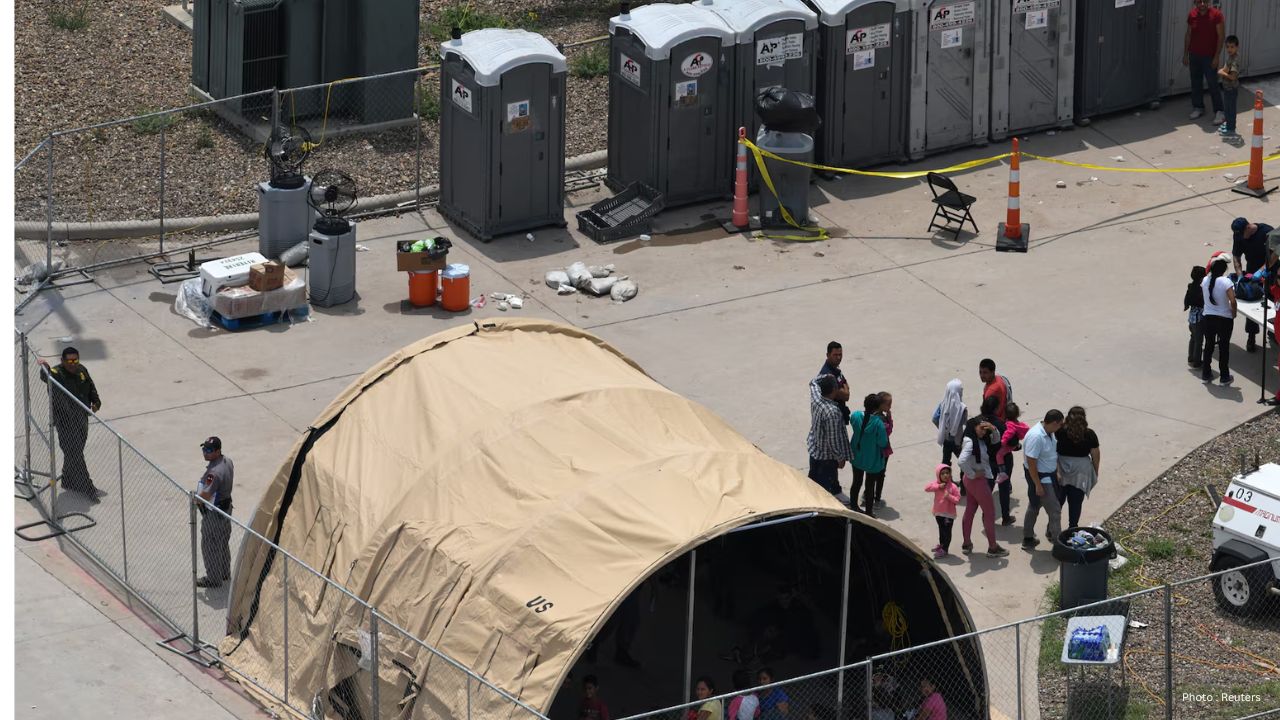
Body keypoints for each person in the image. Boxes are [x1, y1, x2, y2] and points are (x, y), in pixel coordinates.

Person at [37, 347, 105, 503]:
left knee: (75, 451)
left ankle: (68, 479)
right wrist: (45, 367)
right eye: (69, 361)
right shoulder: (56, 373)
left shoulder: (81, 370)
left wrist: (96, 402)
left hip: (81, 417)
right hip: (65, 421)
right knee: (75, 453)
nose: (73, 364)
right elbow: (46, 377)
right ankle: (87, 487)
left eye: (75, 360)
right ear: (62, 360)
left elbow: (91, 385)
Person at [957, 418, 1008, 558]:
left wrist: (992, 428)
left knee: (970, 510)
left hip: (970, 481)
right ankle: (993, 547)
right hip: (977, 481)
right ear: (974, 428)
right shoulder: (970, 442)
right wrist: (973, 474)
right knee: (989, 513)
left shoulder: (977, 439)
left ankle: (966, 544)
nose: (983, 431)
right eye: (981, 428)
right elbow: (961, 461)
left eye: (985, 429)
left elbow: (996, 440)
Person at [195, 436, 235, 588]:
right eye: (204, 449)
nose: (205, 453)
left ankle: (213, 579)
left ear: (218, 451)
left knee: (210, 545)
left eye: (209, 450)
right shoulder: (228, 461)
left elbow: (204, 495)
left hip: (215, 513)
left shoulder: (214, 473)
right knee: (223, 542)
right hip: (226, 509)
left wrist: (195, 500)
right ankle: (224, 573)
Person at [1022, 410, 1065, 550]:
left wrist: (1056, 471)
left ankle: (1028, 537)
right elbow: (1031, 461)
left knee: (1034, 506)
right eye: (1060, 424)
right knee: (1055, 510)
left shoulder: (1048, 432)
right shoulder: (1036, 436)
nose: (1060, 427)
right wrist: (1038, 485)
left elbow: (1051, 454)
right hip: (1041, 478)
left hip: (1048, 475)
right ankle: (1059, 546)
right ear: (1053, 423)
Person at [1231, 217, 1273, 352]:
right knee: (1252, 305)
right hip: (1251, 273)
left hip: (1269, 272)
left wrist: (1261, 271)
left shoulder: (1267, 232)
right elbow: (1236, 256)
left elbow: (1274, 255)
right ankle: (1251, 336)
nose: (1240, 238)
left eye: (1242, 234)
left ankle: (1273, 332)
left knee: (1273, 304)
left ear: (1248, 227)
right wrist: (1239, 276)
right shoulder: (1238, 235)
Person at [1055, 406, 1101, 529]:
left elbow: (1051, 450)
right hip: (1081, 471)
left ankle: (1052, 528)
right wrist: (1095, 471)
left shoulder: (1059, 432)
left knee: (1057, 501)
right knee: (1075, 502)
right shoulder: (1089, 434)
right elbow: (1095, 454)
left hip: (1060, 467)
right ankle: (1073, 528)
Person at [807, 375, 851, 502]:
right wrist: (840, 458)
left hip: (814, 449)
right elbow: (832, 441)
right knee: (823, 490)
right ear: (833, 391)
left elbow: (813, 381)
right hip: (826, 458)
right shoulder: (832, 412)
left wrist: (828, 376)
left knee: (813, 480)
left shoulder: (816, 398)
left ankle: (834, 492)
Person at [1183, 0, 1225, 126]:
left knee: (1213, 84)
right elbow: (1188, 34)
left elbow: (1221, 36)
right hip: (1194, 55)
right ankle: (1198, 107)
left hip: (1209, 57)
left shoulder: (1217, 15)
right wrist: (1186, 54)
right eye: (1199, 1)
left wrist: (1216, 57)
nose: (1202, 4)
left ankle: (1219, 111)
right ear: (1195, 2)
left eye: (1205, 1)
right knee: (1196, 82)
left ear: (1209, 2)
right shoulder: (1192, 15)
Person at [849, 394, 889, 517]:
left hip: (857, 455)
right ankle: (868, 512)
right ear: (878, 408)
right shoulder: (878, 423)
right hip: (873, 459)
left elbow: (852, 422)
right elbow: (883, 442)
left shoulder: (855, 415)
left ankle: (854, 506)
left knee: (856, 481)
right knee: (870, 485)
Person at [1201, 253, 1238, 384]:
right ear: (1224, 270)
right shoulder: (1226, 282)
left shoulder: (1205, 280)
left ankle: (1206, 374)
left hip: (1208, 318)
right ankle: (1224, 377)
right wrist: (1233, 314)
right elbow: (1233, 301)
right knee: (1224, 348)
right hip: (1224, 319)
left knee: (1209, 346)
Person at [994, 401, 1029, 526]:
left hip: (995, 456)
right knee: (1004, 488)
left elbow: (1007, 436)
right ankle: (1005, 516)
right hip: (1007, 455)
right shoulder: (1015, 425)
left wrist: (1002, 443)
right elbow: (1024, 430)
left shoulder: (1003, 424)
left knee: (988, 486)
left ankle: (985, 515)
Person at [926, 464, 961, 559]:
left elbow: (958, 500)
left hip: (948, 515)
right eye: (942, 473)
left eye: (947, 473)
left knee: (947, 532)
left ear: (950, 474)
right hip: (938, 513)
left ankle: (945, 549)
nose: (945, 475)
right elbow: (927, 488)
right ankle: (941, 545)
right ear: (938, 475)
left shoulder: (953, 487)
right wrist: (938, 486)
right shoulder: (937, 485)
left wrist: (949, 496)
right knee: (941, 530)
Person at [933, 379, 968, 467]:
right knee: (963, 460)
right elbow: (965, 422)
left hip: (946, 438)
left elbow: (934, 418)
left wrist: (943, 429)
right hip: (957, 439)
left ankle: (944, 478)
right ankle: (964, 479)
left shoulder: (942, 404)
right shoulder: (962, 407)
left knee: (946, 459)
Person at [818, 341, 851, 418]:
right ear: (828, 355)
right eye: (835, 355)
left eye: (840, 355)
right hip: (833, 415)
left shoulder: (835, 367)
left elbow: (847, 387)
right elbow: (846, 396)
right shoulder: (827, 375)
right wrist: (844, 386)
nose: (839, 358)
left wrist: (844, 387)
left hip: (840, 412)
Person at [1217, 35, 1242, 136]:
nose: (1229, 49)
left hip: (1231, 88)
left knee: (1231, 109)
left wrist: (1222, 73)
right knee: (1227, 108)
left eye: (1232, 47)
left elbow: (1233, 77)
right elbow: (1226, 68)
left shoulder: (1235, 60)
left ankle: (1231, 129)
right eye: (1227, 47)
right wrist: (1223, 70)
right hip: (1227, 88)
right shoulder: (1230, 57)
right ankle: (1228, 125)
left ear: (1237, 47)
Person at [1185, 264, 1207, 368]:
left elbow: (1187, 299)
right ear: (1201, 278)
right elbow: (1203, 302)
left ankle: (1191, 357)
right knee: (1199, 341)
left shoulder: (1190, 286)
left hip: (1191, 317)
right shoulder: (1201, 289)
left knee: (1193, 337)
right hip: (1199, 319)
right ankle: (1197, 362)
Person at [875, 391, 894, 508]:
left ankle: (867, 493)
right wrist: (889, 419)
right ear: (881, 405)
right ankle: (877, 498)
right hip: (882, 451)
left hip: (873, 450)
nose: (890, 407)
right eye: (888, 404)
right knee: (880, 474)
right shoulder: (882, 418)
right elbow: (888, 432)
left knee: (871, 474)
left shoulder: (873, 414)